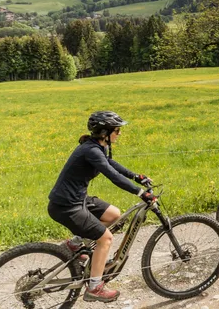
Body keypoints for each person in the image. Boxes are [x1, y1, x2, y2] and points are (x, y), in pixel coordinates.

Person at [47, 111, 154, 303]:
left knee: (114, 215)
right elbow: (112, 176)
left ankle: (74, 244)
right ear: (105, 132)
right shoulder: (92, 151)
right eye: (117, 130)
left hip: (77, 199)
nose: (119, 133)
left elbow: (110, 163)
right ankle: (94, 287)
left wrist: (135, 176)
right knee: (105, 239)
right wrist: (140, 192)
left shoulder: (96, 147)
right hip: (67, 206)